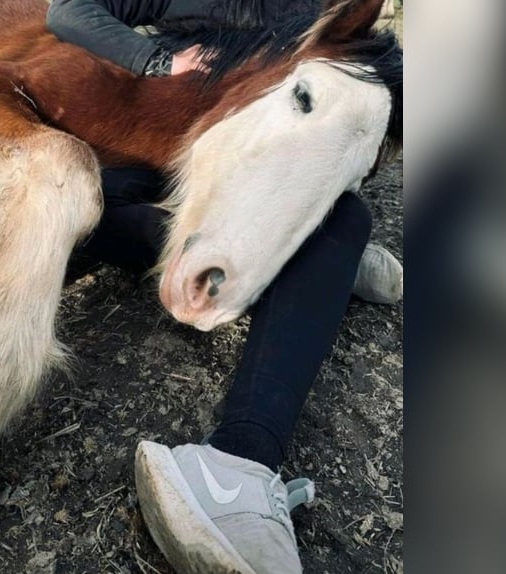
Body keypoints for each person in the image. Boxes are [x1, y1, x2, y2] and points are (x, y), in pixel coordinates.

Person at [47, 1, 403, 572]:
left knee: (350, 217)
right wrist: (158, 56)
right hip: (158, 145)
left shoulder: (314, 13)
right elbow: (68, 11)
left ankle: (237, 465)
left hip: (245, 165)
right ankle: (304, 261)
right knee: (85, 204)